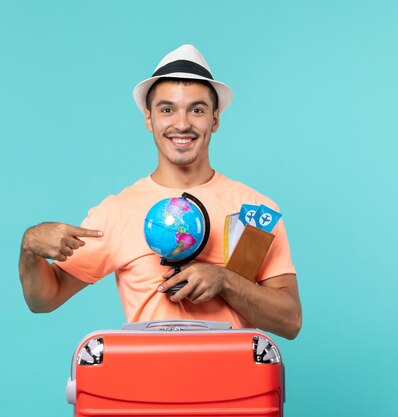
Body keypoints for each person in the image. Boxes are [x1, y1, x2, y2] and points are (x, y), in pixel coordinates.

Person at [19, 45, 302, 339]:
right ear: (149, 119)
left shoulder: (255, 210)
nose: (182, 124)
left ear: (215, 119)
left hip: (237, 382)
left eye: (197, 110)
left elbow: (290, 321)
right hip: (149, 381)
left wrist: (225, 281)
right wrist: (29, 248)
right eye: (167, 110)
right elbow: (44, 299)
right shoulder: (117, 212)